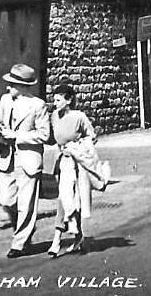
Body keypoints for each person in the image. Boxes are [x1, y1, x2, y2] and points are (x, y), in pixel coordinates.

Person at [0, 64, 50, 258]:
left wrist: (16, 135)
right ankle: (24, 229)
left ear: (22, 86)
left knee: (26, 203)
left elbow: (44, 135)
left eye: (12, 84)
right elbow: (0, 120)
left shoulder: (38, 105)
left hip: (28, 160)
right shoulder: (5, 100)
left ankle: (20, 243)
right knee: (6, 201)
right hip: (7, 158)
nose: (8, 88)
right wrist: (0, 130)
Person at [48, 84, 105, 258]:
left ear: (69, 100)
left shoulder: (79, 117)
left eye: (58, 99)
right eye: (54, 99)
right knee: (66, 198)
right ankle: (77, 233)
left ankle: (57, 239)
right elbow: (53, 138)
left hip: (78, 164)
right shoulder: (54, 117)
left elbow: (91, 137)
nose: (54, 103)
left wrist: (76, 147)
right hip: (62, 163)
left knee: (71, 199)